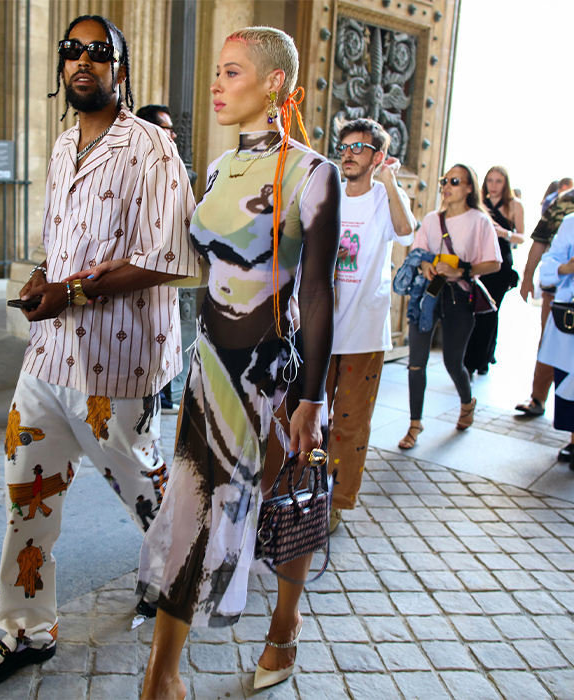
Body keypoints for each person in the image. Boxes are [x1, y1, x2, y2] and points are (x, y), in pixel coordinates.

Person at [0, 15, 198, 690]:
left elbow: (167, 257)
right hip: (46, 362)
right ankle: (27, 631)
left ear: (121, 68)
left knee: (142, 488)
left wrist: (74, 293)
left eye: (99, 51)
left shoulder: (152, 149)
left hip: (116, 371)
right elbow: (60, 246)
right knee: (27, 499)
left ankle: (170, 572)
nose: (83, 61)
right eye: (72, 51)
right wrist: (44, 280)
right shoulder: (64, 146)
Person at [137, 27, 340, 698]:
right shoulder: (223, 169)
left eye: (231, 72)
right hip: (206, 367)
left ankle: (273, 629)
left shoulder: (314, 174)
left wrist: (312, 399)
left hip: (265, 376)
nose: (217, 84)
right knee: (196, 507)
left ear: (273, 82)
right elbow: (199, 262)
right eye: (217, 72)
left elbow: (315, 291)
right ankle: (172, 672)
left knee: (251, 504)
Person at [325, 117, 415, 532]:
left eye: (358, 147)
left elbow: (405, 232)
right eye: (343, 146)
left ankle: (336, 502)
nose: (347, 152)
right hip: (321, 326)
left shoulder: (384, 197)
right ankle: (305, 488)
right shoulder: (328, 193)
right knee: (311, 415)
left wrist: (391, 180)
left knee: (350, 420)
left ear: (377, 157)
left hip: (363, 329)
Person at [398, 164, 501, 450]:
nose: (447, 185)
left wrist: (462, 270)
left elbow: (494, 263)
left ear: (469, 188)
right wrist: (426, 264)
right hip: (427, 295)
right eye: (445, 180)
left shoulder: (480, 221)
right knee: (416, 362)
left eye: (454, 181)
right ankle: (414, 424)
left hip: (459, 296)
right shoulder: (432, 219)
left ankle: (467, 402)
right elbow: (418, 253)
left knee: (453, 361)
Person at [135, 103, 181, 414]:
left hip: (164, 273)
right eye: (167, 128)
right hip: (141, 273)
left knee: (163, 339)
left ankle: (161, 397)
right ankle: (153, 399)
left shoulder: (168, 165)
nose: (174, 134)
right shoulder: (136, 169)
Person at [515, 183, 574, 417]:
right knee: (550, 344)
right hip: (561, 291)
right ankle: (538, 398)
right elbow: (540, 241)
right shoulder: (563, 201)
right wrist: (528, 277)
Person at [463, 166, 524, 377]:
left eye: (498, 181)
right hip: (481, 259)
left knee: (491, 310)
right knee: (476, 310)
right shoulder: (481, 204)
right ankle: (473, 359)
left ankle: (483, 358)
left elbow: (522, 237)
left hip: (501, 263)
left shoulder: (514, 205)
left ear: (505, 183)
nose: (494, 185)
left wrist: (503, 232)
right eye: (490, 180)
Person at [536, 214, 574, 467]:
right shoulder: (571, 221)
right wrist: (565, 269)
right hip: (571, 313)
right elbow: (550, 262)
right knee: (570, 377)